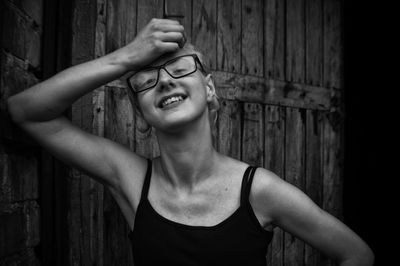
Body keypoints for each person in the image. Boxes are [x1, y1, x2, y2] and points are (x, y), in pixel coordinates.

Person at [7, 18, 374, 265]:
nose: (165, 82)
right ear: (140, 114)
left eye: (181, 70)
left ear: (209, 88)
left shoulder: (260, 189)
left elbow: (358, 255)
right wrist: (125, 58)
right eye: (146, 80)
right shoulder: (131, 179)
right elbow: (27, 111)